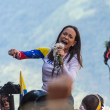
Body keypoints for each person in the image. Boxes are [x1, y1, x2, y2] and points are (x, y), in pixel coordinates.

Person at [8, 25, 83, 107]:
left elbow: (70, 79)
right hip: (44, 95)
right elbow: (24, 54)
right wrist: (15, 53)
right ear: (59, 36)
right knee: (27, 100)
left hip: (63, 98)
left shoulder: (75, 58)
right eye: (64, 34)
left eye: (70, 36)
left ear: (74, 43)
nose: (66, 37)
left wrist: (61, 61)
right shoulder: (47, 51)